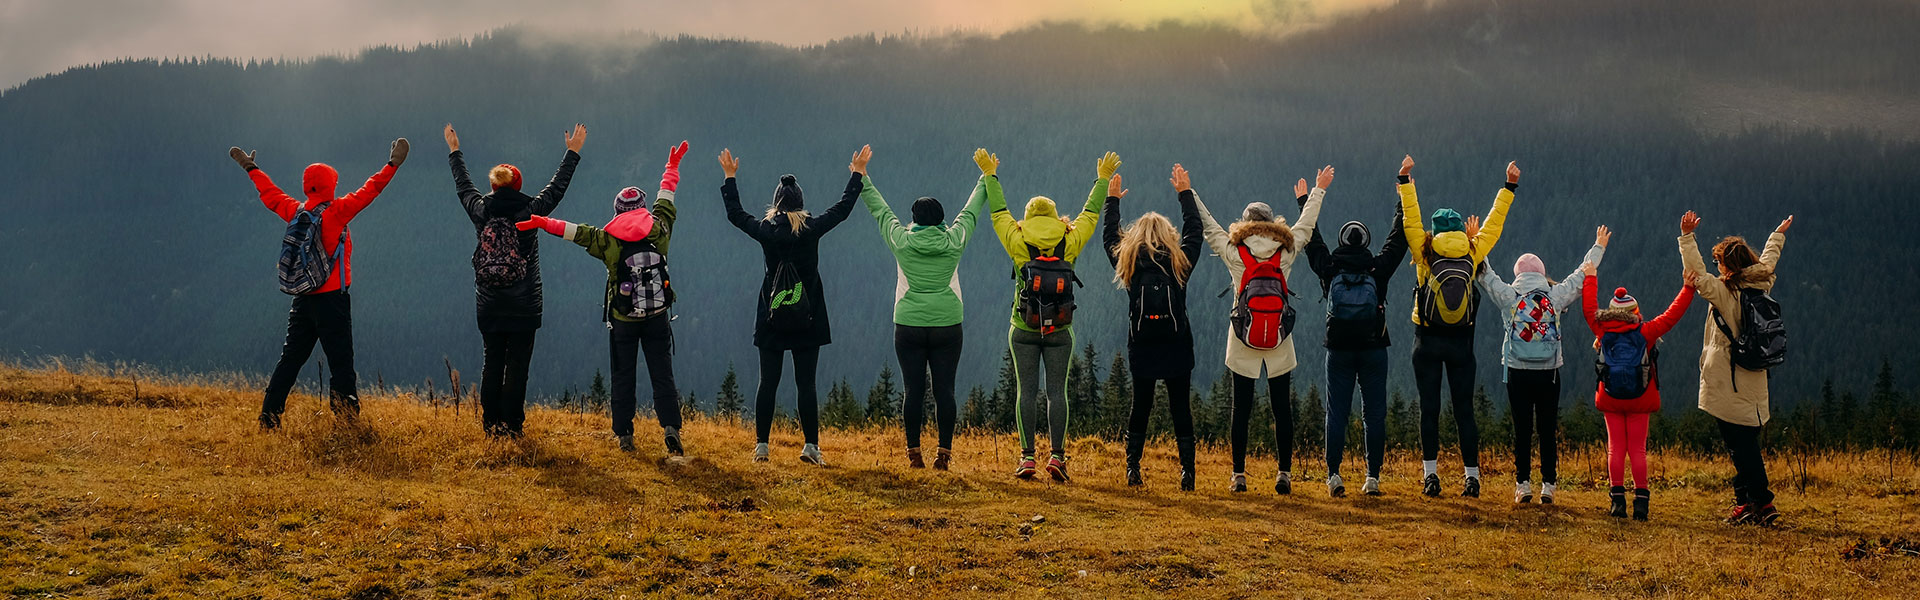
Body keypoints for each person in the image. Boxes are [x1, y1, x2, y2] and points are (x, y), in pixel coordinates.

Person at [517, 142, 690, 455]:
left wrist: (543, 222)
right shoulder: (660, 231)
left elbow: (577, 232)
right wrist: (672, 167)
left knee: (623, 376)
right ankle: (671, 428)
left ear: (618, 212)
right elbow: (666, 199)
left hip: (623, 319)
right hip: (657, 316)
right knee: (662, 374)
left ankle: (625, 435)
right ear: (643, 209)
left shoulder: (608, 240)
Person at [229, 138, 406, 429]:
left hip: (302, 298)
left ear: (307, 186)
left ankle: (269, 417)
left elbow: (270, 194)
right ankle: (347, 422)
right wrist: (392, 165)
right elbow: (370, 189)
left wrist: (251, 168)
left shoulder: (296, 211)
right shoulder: (337, 212)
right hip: (333, 301)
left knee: (290, 360)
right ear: (331, 185)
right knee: (341, 363)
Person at [443, 123, 584, 438]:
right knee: (517, 366)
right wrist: (572, 152)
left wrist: (455, 150)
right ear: (518, 186)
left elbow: (463, 186)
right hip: (524, 305)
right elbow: (556, 188)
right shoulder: (530, 211)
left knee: (492, 363)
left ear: (493, 187)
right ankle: (512, 426)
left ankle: (490, 424)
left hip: (489, 304)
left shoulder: (481, 210)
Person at [1194, 164, 1329, 494]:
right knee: (1282, 409)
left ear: (1245, 224)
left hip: (1243, 336)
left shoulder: (1235, 251)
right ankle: (1284, 474)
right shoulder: (1286, 249)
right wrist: (1317, 191)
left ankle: (1239, 475)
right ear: (1272, 223)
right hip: (1279, 337)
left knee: (1241, 409)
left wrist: (1188, 192)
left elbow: (1209, 226)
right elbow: (1306, 226)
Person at [720, 148, 858, 465]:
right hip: (808, 316)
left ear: (776, 202)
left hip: (772, 314)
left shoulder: (766, 231)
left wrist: (730, 177)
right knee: (805, 383)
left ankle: (761, 447)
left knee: (767, 382)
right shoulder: (810, 229)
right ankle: (810, 447)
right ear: (800, 203)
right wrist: (857, 174)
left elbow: (736, 214)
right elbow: (842, 209)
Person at [988, 151, 1119, 481]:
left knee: (1026, 392)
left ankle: (1027, 458)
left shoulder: (1017, 239)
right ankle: (1057, 457)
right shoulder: (1069, 239)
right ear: (1054, 215)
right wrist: (1102, 179)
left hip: (1023, 326)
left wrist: (990, 175)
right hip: (1060, 328)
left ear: (1028, 217)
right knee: (1057, 392)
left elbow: (999, 213)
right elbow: (1090, 214)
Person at [1397, 155, 1520, 498]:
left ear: (1436, 231)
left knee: (1429, 409)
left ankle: (1431, 477)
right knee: (1464, 410)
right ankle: (1472, 478)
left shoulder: (1425, 250)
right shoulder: (1472, 250)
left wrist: (1405, 181)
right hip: (1461, 343)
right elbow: (1494, 224)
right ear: (1459, 230)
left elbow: (1411, 220)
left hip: (1427, 340)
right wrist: (1509, 186)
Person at [857, 145, 984, 470]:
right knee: (945, 391)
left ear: (913, 219)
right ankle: (943, 454)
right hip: (948, 324)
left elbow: (881, 211)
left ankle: (914, 454)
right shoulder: (954, 240)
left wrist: (862, 176)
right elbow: (970, 212)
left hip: (908, 324)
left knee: (912, 390)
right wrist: (986, 178)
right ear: (942, 219)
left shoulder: (901, 240)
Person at [1474, 226, 1608, 503]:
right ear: (1542, 273)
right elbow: (1581, 276)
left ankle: (1523, 484)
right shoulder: (1555, 296)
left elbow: (1486, 276)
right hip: (1549, 372)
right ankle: (1548, 485)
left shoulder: (1509, 297)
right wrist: (1599, 246)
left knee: (1522, 429)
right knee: (1547, 429)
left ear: (1518, 275)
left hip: (1517, 369)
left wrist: (1475, 241)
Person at [1678, 210, 1793, 525]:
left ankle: (1762, 503)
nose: (1716, 266)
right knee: (1745, 444)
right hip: (1754, 379)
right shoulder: (1761, 285)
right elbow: (1768, 262)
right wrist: (1777, 235)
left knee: (1741, 449)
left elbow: (1697, 274)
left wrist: (1687, 237)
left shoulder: (1725, 294)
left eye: (1719, 262)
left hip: (1728, 382)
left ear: (1728, 265)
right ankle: (1746, 503)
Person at [1101, 164, 1206, 490]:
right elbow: (1195, 232)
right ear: (1167, 235)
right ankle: (1187, 474)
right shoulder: (1179, 263)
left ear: (1136, 237)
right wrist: (1185, 193)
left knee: (1141, 407)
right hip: (1177, 345)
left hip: (1142, 345)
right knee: (1180, 409)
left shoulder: (1129, 264)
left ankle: (1133, 469)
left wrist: (1112, 202)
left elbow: (1110, 238)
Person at [1303, 179, 1407, 497]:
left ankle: (1334, 475)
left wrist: (1305, 201)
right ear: (1365, 242)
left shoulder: (1330, 267)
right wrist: (1403, 199)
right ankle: (1372, 477)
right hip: (1374, 347)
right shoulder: (1377, 268)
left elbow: (1311, 239)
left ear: (1342, 241)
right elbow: (1398, 239)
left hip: (1338, 349)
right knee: (1373, 414)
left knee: (1336, 412)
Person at [1580, 262, 1695, 521]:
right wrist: (1687, 288)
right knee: (1637, 450)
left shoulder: (1602, 330)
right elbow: (1672, 315)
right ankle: (1641, 503)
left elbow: (1588, 308)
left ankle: (1617, 502)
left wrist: (1590, 277)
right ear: (1635, 312)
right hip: (1641, 397)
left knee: (1615, 448)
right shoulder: (1646, 332)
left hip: (1610, 397)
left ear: (1612, 312)